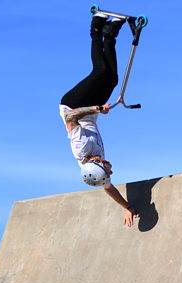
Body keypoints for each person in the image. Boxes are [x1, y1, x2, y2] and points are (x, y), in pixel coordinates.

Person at [59, 13, 137, 227]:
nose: (111, 168)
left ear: (96, 163)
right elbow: (109, 189)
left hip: (74, 104)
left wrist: (94, 108)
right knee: (112, 78)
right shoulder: (97, 168)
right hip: (94, 109)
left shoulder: (81, 149)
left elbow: (69, 117)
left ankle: (96, 26)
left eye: (108, 168)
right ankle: (110, 33)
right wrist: (127, 207)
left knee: (100, 71)